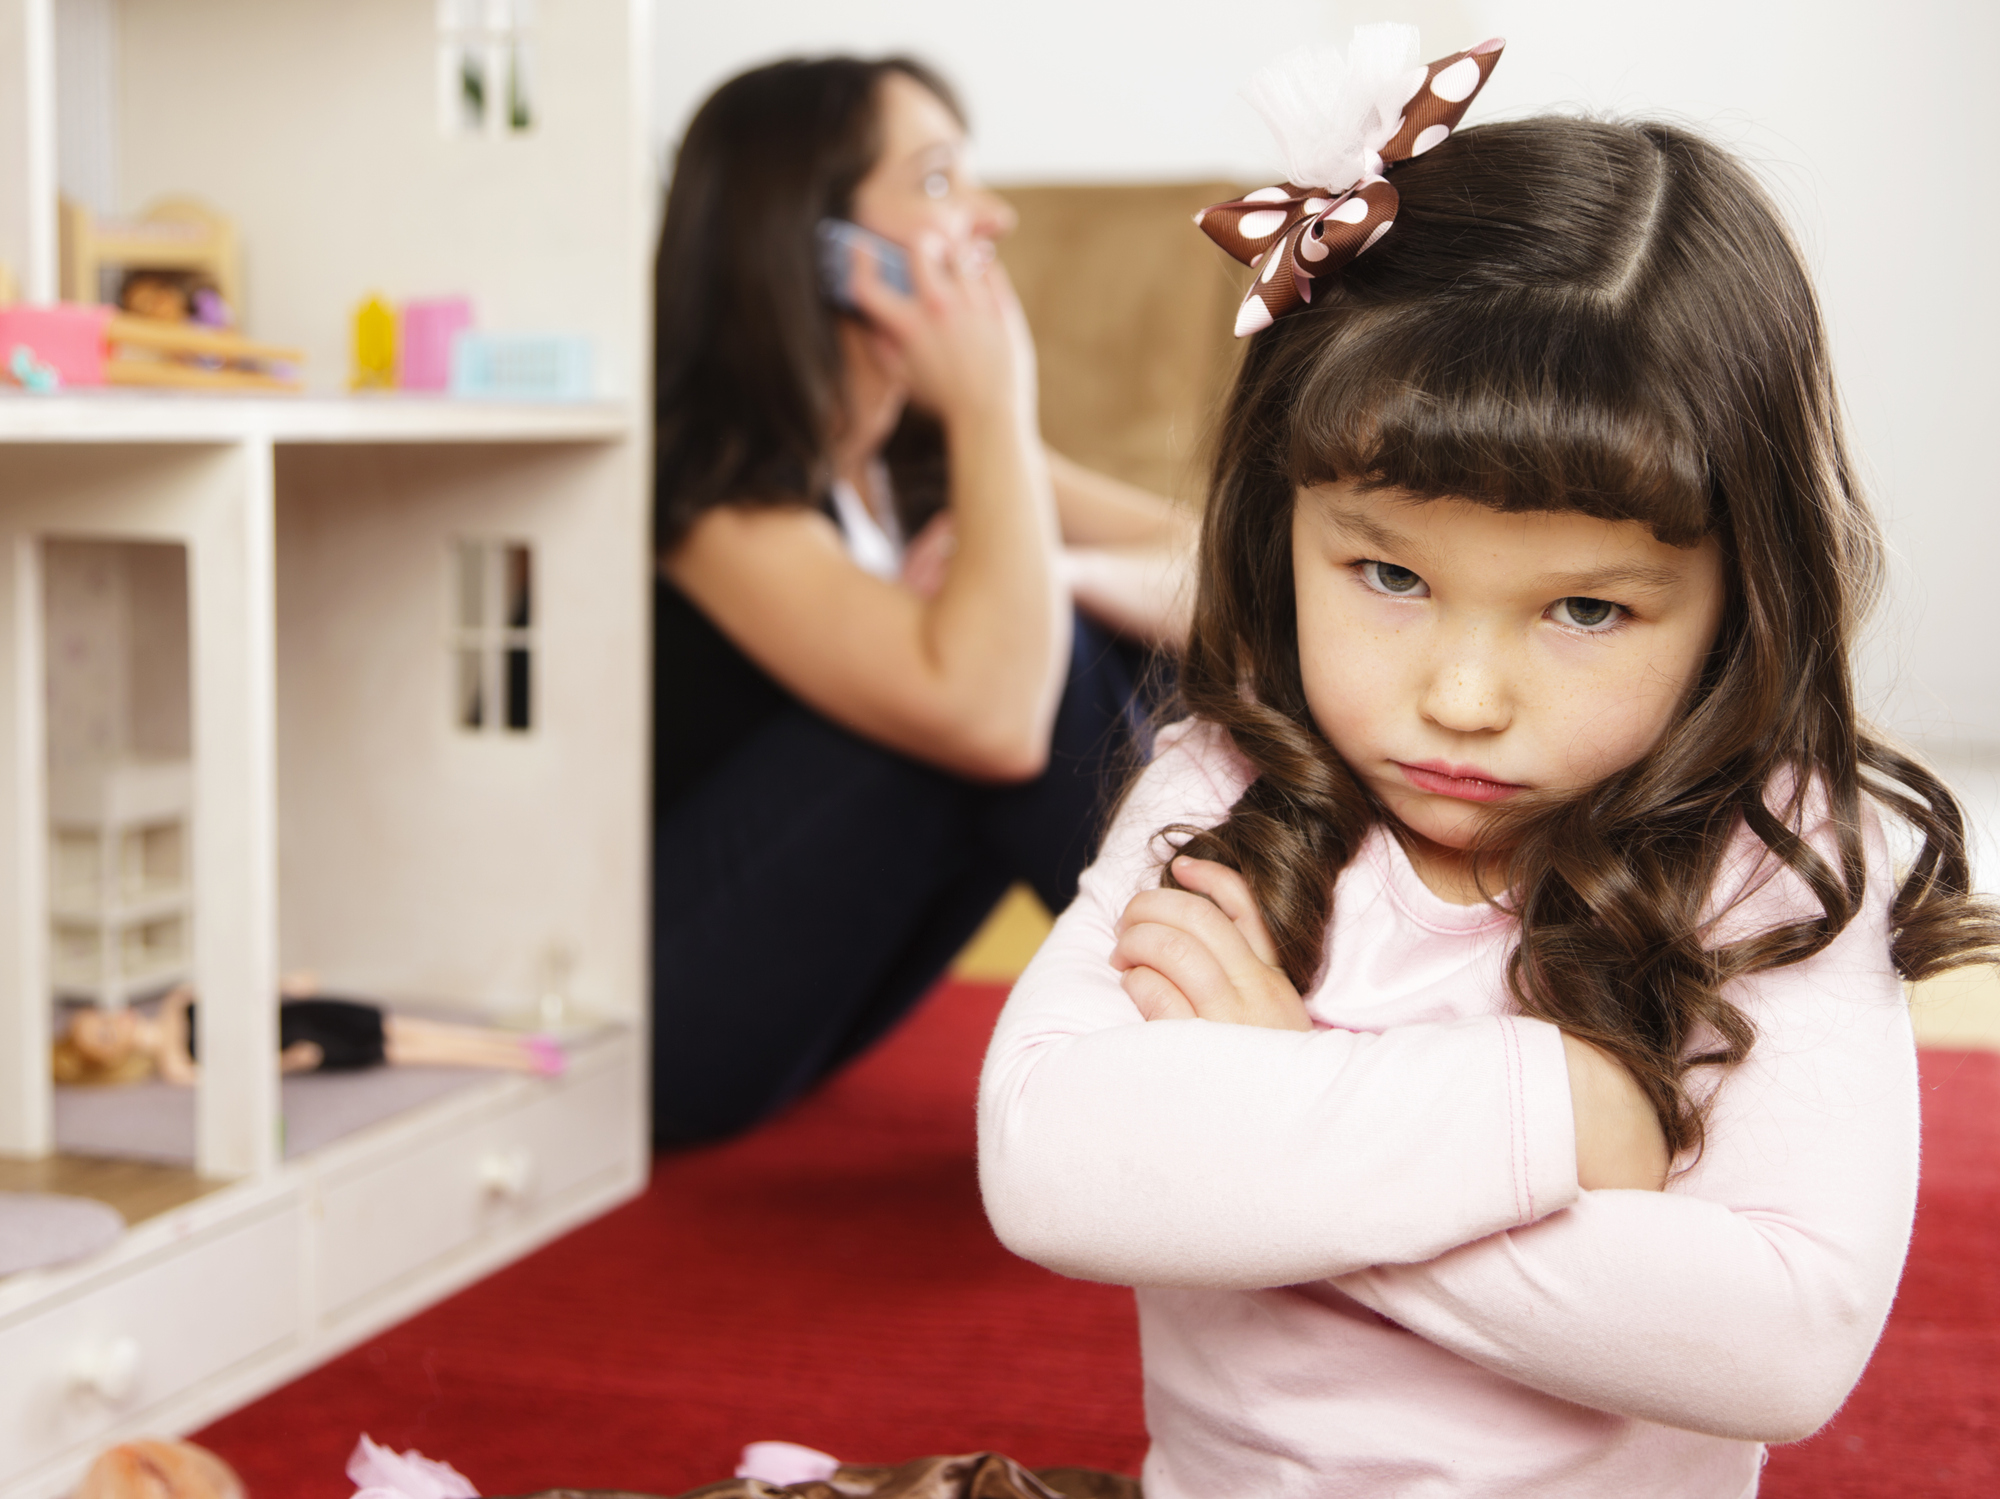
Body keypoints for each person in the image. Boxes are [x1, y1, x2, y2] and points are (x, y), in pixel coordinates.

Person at [978, 32, 2000, 1499]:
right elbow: (1047, 1161)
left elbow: (1782, 1341)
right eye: (1387, 575)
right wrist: (1554, 1117)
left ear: (1740, 589)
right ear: (1286, 524)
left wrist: (1271, 1108)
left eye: (1585, 609)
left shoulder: (1777, 856)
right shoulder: (1229, 784)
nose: (1461, 696)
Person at [652, 56, 1193, 1145]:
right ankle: (1220, 1034)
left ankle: (1237, 1004)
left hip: (812, 1015)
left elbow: (1223, 572)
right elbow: (993, 716)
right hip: (670, 1026)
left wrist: (1065, 571)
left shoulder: (908, 460)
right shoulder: (709, 493)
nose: (991, 214)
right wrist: (995, 398)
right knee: (1022, 669)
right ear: (812, 241)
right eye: (939, 180)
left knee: (1102, 638)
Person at [54, 982, 563, 1085]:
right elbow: (231, 1079)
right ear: (112, 1058)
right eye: (102, 1034)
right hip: (291, 1045)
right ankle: (517, 1060)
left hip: (293, 1013)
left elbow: (241, 982)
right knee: (399, 1051)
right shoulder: (174, 1065)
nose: (111, 1022)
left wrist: (286, 983)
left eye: (100, 1017)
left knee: (401, 1025)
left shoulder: (174, 1002)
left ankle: (513, 1043)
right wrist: (285, 1064)